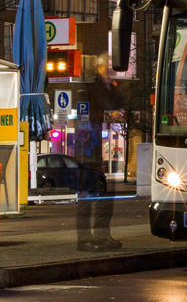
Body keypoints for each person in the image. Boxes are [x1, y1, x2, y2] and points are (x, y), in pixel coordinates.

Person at [76, 53, 123, 252]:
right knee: (87, 197)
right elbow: (88, 114)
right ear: (100, 68)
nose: (111, 70)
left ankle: (102, 235)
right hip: (88, 151)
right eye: (108, 66)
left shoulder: (106, 87)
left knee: (104, 196)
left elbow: (117, 103)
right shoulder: (89, 88)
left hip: (96, 151)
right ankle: (85, 239)